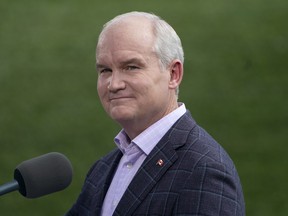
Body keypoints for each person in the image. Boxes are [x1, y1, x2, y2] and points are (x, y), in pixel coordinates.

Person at [66, 11, 245, 216]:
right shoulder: (102, 169)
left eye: (131, 67)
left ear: (173, 74)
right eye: (105, 70)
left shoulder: (205, 170)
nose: (113, 84)